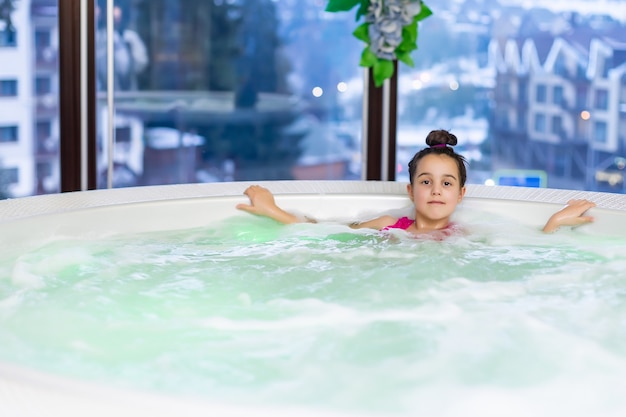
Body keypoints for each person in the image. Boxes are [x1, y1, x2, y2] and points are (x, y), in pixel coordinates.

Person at [236, 129, 596, 236]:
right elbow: (324, 231)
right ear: (410, 190)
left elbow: (528, 250)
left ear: (461, 194)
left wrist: (555, 222)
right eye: (426, 181)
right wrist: (274, 211)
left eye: (447, 183)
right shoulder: (389, 225)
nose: (436, 189)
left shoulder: (465, 235)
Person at [95, 3, 148, 91]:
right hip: (101, 92)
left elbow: (141, 62)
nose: (114, 21)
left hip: (127, 92)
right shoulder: (97, 37)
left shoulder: (130, 37)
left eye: (117, 18)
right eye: (112, 18)